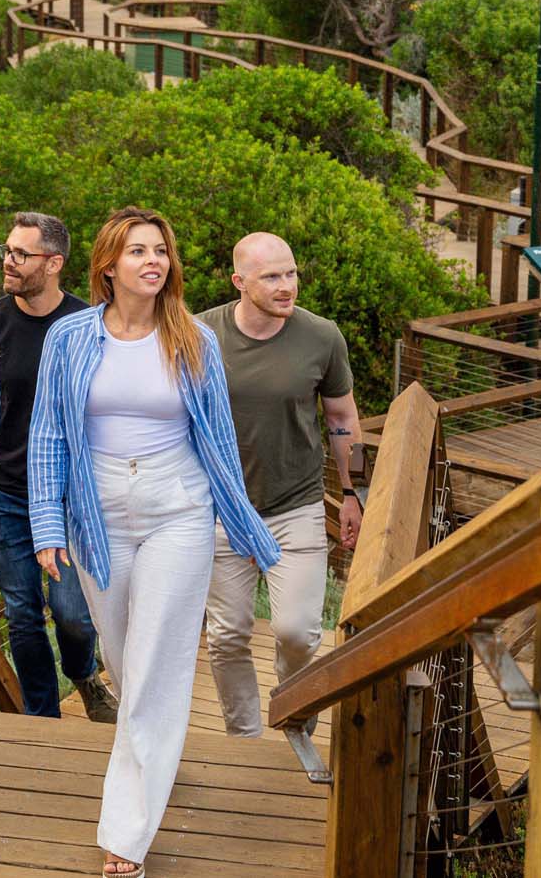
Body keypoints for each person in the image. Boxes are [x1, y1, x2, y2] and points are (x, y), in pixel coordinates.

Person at [28, 207, 279, 878]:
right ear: (108, 264)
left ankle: (125, 838)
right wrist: (47, 524)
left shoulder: (194, 338)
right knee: (123, 661)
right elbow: (50, 434)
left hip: (179, 509)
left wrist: (242, 522)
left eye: (160, 250)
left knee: (157, 669)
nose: (152, 260)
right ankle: (151, 769)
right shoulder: (70, 338)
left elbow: (218, 439)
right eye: (137, 250)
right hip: (97, 513)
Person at [196, 232, 362, 739]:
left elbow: (342, 417)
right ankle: (244, 737)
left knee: (298, 634)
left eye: (291, 273)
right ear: (239, 282)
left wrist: (354, 492)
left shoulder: (321, 336)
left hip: (297, 506)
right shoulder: (201, 334)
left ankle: (294, 722)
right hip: (224, 509)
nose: (287, 285)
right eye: (271, 276)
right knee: (227, 638)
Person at [0, 213, 115, 722]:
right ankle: (43, 718)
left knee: (72, 614)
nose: (8, 262)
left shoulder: (87, 327)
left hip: (66, 496)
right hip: (6, 492)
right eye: (7, 251)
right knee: (21, 615)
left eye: (21, 254)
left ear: (54, 263)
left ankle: (83, 674)